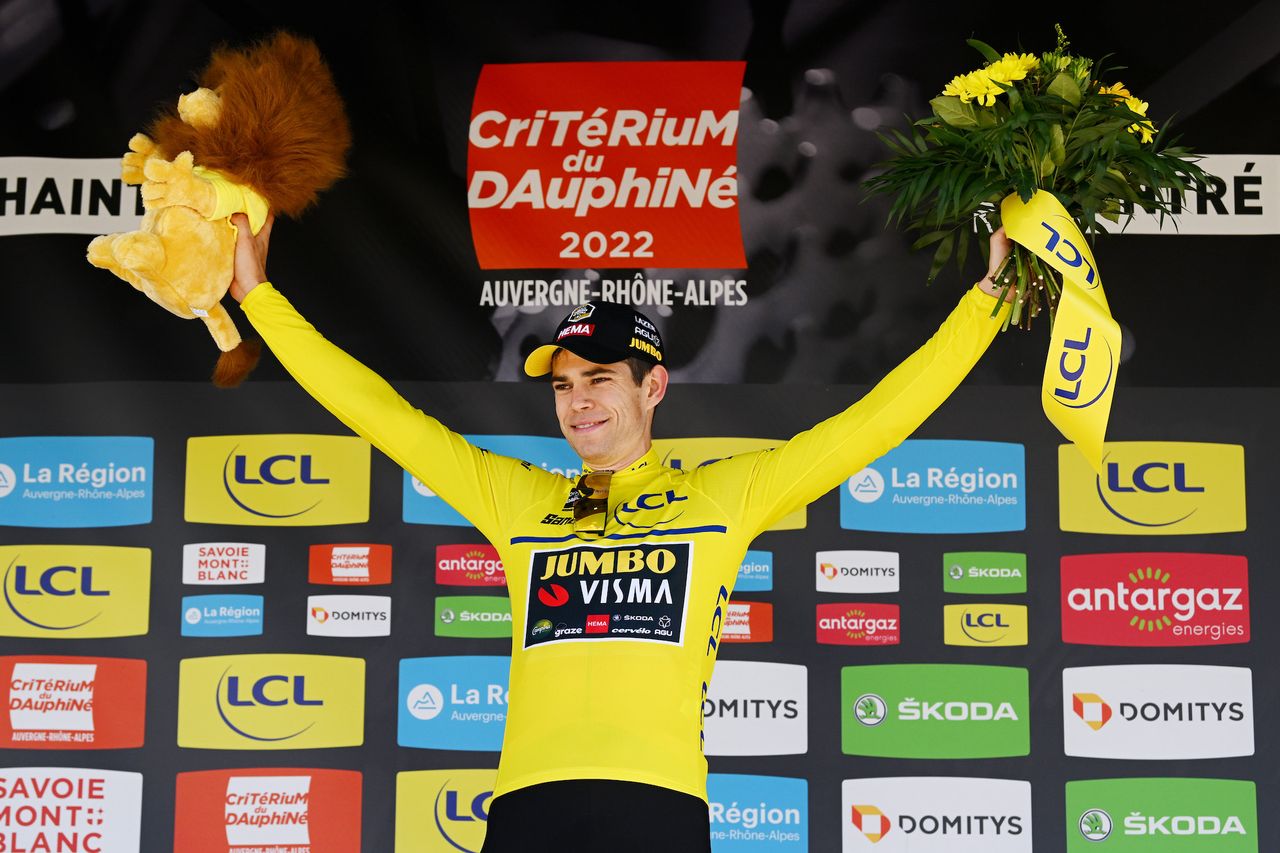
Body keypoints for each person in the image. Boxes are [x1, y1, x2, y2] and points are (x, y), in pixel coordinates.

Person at [228, 212, 1012, 852]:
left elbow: (872, 424)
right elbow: (382, 416)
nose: (577, 402)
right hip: (529, 803)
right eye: (565, 385)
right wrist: (258, 297)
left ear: (654, 386)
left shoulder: (721, 495)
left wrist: (985, 302)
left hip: (658, 805)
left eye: (599, 379)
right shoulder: (518, 499)